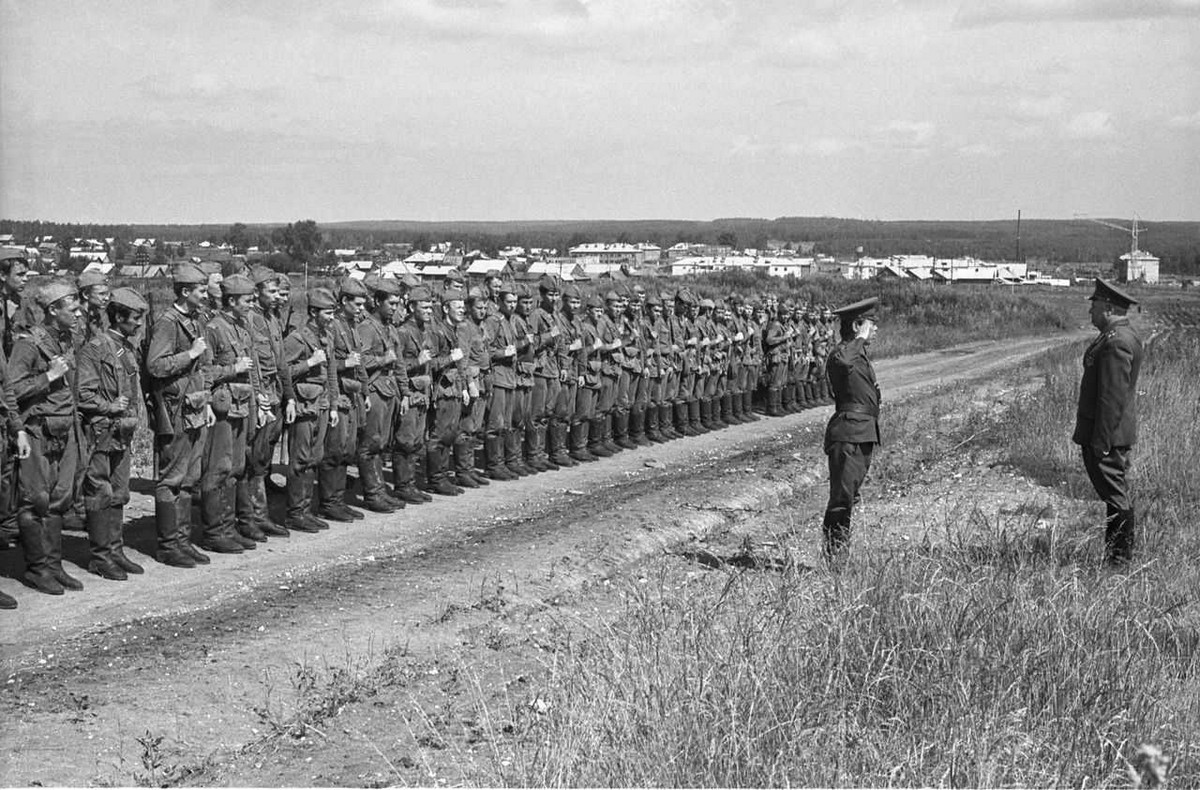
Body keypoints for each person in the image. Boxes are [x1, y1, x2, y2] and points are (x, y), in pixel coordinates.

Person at [9, 281, 83, 594]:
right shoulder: (28, 344)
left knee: (60, 499)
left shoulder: (66, 339)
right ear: (53, 310)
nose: (79, 314)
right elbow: (10, 390)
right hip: (39, 430)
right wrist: (47, 377)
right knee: (35, 500)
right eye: (73, 309)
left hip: (65, 429)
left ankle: (53, 565)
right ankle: (38, 569)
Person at [76, 287, 150, 580]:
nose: (139, 325)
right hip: (102, 432)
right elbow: (82, 394)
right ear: (118, 317)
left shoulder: (125, 347)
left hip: (123, 431)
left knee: (119, 492)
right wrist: (108, 406)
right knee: (99, 492)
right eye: (134, 319)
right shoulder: (96, 348)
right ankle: (100, 556)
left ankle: (115, 550)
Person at [146, 263, 216, 568]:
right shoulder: (167, 322)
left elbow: (205, 369)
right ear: (185, 292)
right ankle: (167, 545)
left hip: (196, 405)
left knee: (189, 478)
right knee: (171, 478)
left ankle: (183, 541)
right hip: (175, 410)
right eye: (201, 290)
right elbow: (155, 366)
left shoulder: (196, 320)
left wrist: (209, 402)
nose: (206, 295)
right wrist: (189, 354)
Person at [1073, 279, 1144, 567]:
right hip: (1107, 434)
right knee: (1115, 497)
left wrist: (1101, 440)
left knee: (1117, 497)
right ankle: (1115, 557)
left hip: (1108, 437)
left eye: (1095, 305)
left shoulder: (1117, 342)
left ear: (1109, 307)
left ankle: (1118, 562)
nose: (1091, 310)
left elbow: (1111, 398)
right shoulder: (1115, 336)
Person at [821, 296, 882, 567]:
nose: (876, 329)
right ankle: (835, 559)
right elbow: (844, 361)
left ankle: (839, 554)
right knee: (841, 499)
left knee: (850, 497)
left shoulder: (858, 354)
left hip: (863, 432)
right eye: (871, 324)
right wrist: (859, 337)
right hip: (848, 433)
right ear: (858, 325)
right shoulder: (842, 353)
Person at [282, 287, 339, 532]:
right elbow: (283, 371)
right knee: (300, 460)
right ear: (314, 312)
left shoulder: (327, 336)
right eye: (328, 312)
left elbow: (332, 373)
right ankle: (295, 513)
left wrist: (334, 405)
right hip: (305, 406)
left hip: (322, 404)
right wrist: (309, 363)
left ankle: (305, 509)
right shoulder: (297, 338)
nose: (332, 317)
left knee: (314, 458)